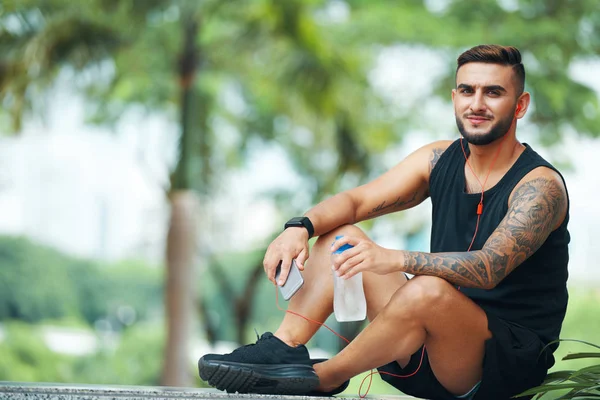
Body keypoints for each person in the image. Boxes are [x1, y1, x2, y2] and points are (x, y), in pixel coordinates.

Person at [198, 44, 570, 400]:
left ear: (519, 105)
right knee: (342, 238)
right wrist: (299, 227)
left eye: (493, 93)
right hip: (423, 347)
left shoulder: (540, 187)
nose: (476, 103)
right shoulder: (439, 159)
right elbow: (357, 201)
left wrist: (395, 259)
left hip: (498, 369)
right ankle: (285, 349)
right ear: (454, 97)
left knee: (428, 290)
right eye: (466, 90)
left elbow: (489, 267)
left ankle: (322, 377)